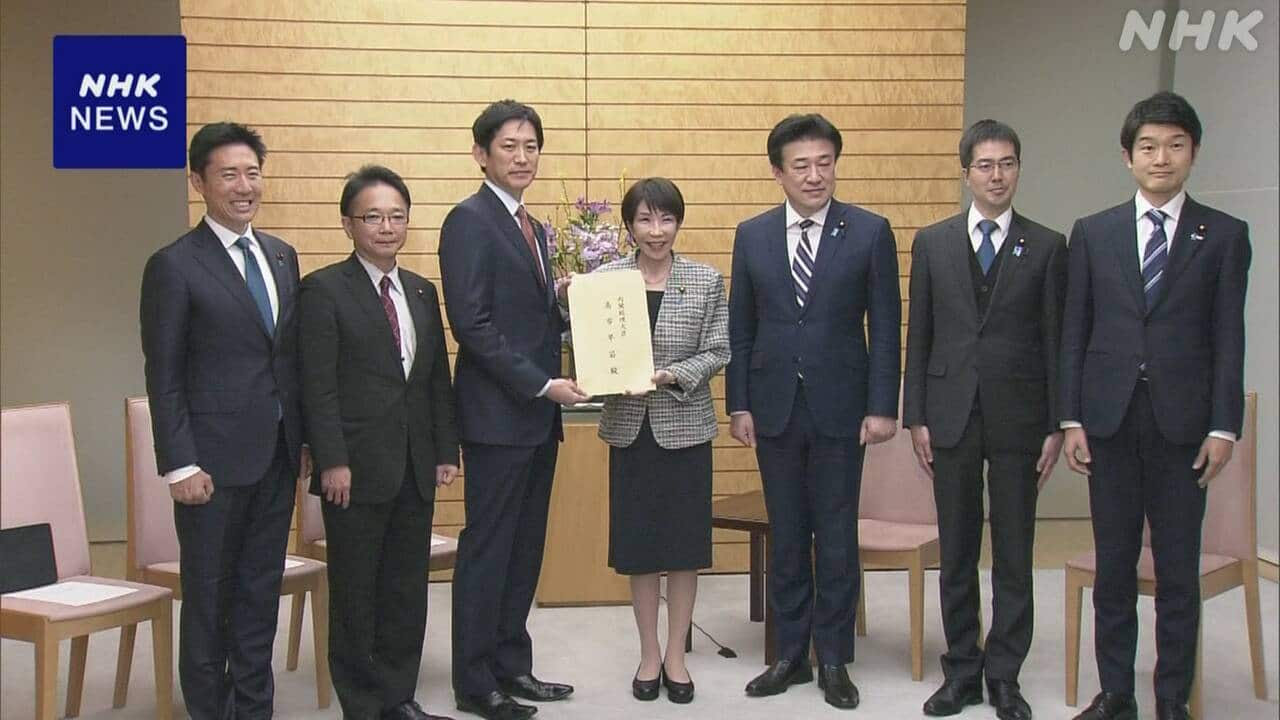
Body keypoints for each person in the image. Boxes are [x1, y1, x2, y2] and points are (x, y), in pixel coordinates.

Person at [1060, 92, 1250, 720]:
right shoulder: (1094, 232)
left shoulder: (1224, 235)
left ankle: (1172, 699)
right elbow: (1075, 331)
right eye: (1148, 146)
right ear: (1127, 156)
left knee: (1176, 573)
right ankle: (1116, 693)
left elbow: (1229, 337)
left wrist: (1224, 426)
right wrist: (1072, 418)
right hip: (1109, 422)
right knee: (1114, 567)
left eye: (1174, 145)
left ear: (1193, 152)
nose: (1160, 157)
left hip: (1183, 426)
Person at [725, 113, 901, 710]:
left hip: (842, 408)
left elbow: (886, 327)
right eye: (800, 165)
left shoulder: (870, 232)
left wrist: (882, 407)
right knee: (788, 533)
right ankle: (789, 655)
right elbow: (741, 328)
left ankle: (834, 658)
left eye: (824, 162)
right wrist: (738, 403)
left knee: (837, 535)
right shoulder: (752, 235)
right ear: (777, 172)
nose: (814, 175)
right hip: (774, 405)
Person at [140, 122, 305, 719]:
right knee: (209, 600)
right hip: (208, 464)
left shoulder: (282, 256)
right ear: (199, 182)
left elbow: (287, 360)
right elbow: (164, 374)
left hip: (276, 456)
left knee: (259, 594)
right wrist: (179, 463)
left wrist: (304, 441)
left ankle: (254, 709)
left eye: (252, 173)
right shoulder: (174, 265)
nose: (244, 186)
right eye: (229, 174)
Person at [903, 120, 1067, 720]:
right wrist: (916, 416)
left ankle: (1004, 675)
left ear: (1018, 168)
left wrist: (1057, 423)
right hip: (950, 413)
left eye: (1007, 164)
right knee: (957, 547)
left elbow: (1056, 340)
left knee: (1015, 548)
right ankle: (962, 670)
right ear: (965, 172)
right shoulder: (933, 242)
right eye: (985, 165)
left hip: (1022, 416)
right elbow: (920, 333)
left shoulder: (1047, 246)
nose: (997, 176)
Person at [439, 99, 588, 720]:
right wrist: (542, 384)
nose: (523, 157)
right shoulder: (468, 221)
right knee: (489, 550)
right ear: (481, 154)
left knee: (524, 550)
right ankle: (475, 683)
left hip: (535, 419)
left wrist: (566, 301)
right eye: (509, 146)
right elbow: (472, 324)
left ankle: (512, 665)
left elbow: (527, 317)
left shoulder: (534, 227)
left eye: (531, 146)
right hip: (498, 418)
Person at [300, 165, 459, 720]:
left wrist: (445, 450)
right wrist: (331, 461)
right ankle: (362, 705)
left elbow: (435, 378)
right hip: (354, 470)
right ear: (348, 224)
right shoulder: (323, 290)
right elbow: (317, 387)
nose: (386, 227)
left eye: (397, 216)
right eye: (373, 216)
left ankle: (398, 697)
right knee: (356, 593)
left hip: (415, 466)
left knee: (405, 590)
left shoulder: (421, 290)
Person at [587, 178, 729, 705]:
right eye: (645, 219)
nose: (656, 230)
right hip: (630, 431)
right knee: (641, 549)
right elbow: (588, 343)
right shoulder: (605, 280)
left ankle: (676, 655)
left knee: (685, 549)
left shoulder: (704, 280)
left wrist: (671, 375)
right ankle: (648, 653)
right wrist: (569, 302)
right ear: (629, 225)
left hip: (686, 429)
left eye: (666, 219)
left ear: (678, 222)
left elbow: (718, 349)